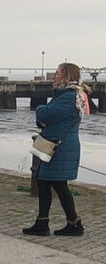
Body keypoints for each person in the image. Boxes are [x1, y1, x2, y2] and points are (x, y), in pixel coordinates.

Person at [22, 62, 87, 236]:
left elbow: (46, 114)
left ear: (67, 76)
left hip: (59, 146)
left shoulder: (67, 96)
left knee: (56, 183)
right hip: (57, 143)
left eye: (58, 73)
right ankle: (48, 222)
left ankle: (71, 224)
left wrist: (42, 108)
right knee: (46, 181)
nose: (55, 75)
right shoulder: (71, 95)